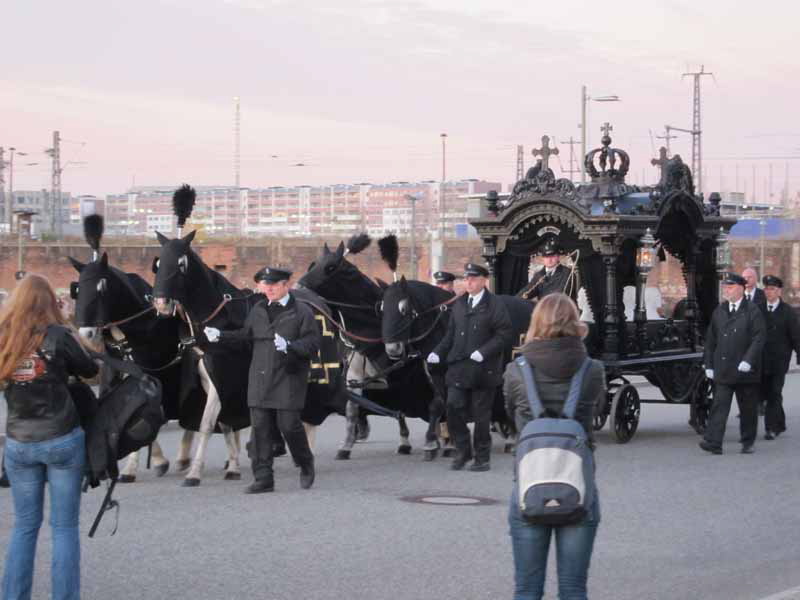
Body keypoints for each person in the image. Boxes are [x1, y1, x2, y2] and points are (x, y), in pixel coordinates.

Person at [1, 274, 99, 600]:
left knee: (24, 526)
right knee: (64, 527)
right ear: (49, 303)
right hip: (61, 438)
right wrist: (69, 326)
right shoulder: (57, 335)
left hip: (18, 442)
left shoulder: (4, 335)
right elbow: (89, 369)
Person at [503, 293, 604, 600]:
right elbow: (596, 411)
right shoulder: (592, 369)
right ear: (575, 323)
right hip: (578, 485)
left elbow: (510, 414)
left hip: (529, 484)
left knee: (527, 589)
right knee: (574, 588)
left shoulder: (516, 370)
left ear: (536, 322)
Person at [204, 266, 320, 493]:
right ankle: (263, 478)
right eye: (266, 285)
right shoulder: (258, 309)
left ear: (286, 285)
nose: (269, 289)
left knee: (289, 426)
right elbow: (245, 336)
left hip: (288, 376)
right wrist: (220, 336)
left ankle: (305, 462)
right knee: (260, 430)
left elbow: (312, 343)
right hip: (260, 377)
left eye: (274, 285)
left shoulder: (301, 311)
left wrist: (291, 346)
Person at [427, 263, 513, 471]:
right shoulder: (460, 304)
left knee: (481, 416)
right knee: (452, 408)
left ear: (484, 280)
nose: (469, 282)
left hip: (484, 370)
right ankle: (463, 451)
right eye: (466, 279)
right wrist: (437, 352)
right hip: (459, 367)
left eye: (473, 279)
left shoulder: (494, 304)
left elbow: (504, 334)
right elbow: (450, 335)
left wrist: (484, 352)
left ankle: (482, 458)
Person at [700, 273, 766, 455]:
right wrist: (709, 364)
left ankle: (748, 442)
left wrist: (748, 360)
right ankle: (714, 442)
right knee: (719, 406)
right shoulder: (720, 310)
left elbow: (759, 338)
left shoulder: (752, 311)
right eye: (725, 287)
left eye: (730, 287)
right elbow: (711, 340)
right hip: (723, 369)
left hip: (745, 371)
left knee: (748, 410)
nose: (726, 291)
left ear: (741, 289)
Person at [759, 275, 800, 440]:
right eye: (767, 289)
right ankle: (780, 422)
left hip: (779, 361)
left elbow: (796, 337)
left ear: (779, 291)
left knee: (775, 393)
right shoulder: (758, 309)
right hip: (761, 360)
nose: (769, 292)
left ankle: (771, 428)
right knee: (765, 393)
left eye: (772, 289)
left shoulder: (788, 312)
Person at [521, 239, 576, 304]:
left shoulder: (567, 273)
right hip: (545, 308)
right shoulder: (539, 274)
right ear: (542, 258)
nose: (549, 260)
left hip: (563, 308)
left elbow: (561, 293)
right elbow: (527, 291)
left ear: (558, 257)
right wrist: (515, 301)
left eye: (552, 256)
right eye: (546, 257)